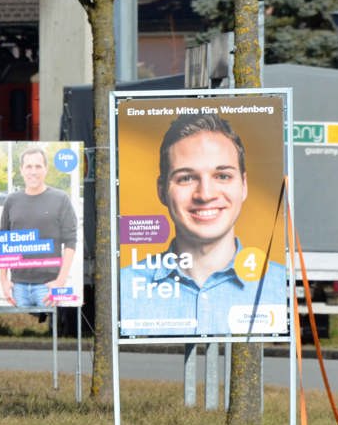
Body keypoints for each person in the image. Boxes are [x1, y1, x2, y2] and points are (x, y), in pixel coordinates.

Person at [120, 112, 286, 336]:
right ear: (161, 190)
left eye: (222, 176)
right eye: (186, 178)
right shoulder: (127, 285)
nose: (205, 195)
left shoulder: (275, 283)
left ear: (244, 185)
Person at [0, 147, 77, 307]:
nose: (33, 171)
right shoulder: (11, 201)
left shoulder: (61, 199)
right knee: (22, 332)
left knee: (49, 331)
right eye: (28, 166)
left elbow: (70, 242)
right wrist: (4, 281)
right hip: (17, 286)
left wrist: (60, 281)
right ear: (21, 170)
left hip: (48, 286)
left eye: (38, 166)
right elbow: (3, 242)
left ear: (45, 169)